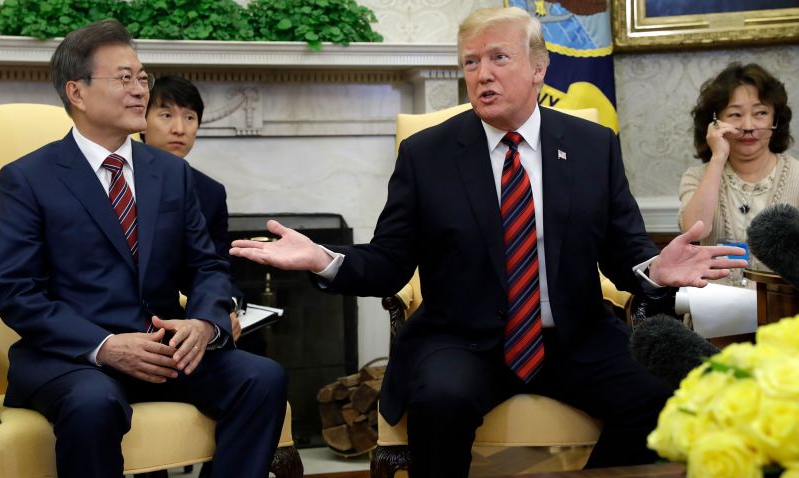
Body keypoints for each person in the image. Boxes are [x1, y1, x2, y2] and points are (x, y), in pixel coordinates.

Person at [230, 7, 745, 477]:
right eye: (471, 62)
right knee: (439, 400)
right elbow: (389, 262)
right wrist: (324, 258)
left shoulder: (592, 146)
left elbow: (623, 252)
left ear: (539, 67)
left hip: (575, 336)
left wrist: (655, 270)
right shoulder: (427, 155)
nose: (483, 73)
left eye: (499, 57)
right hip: (462, 339)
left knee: (665, 396)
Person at [0, 19, 285, 478]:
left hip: (164, 350)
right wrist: (103, 345)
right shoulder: (28, 178)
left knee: (262, 378)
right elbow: (16, 291)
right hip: (74, 359)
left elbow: (207, 265)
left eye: (142, 77)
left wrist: (205, 322)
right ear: (77, 92)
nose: (140, 90)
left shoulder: (170, 173)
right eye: (123, 78)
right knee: (94, 401)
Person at [142, 74, 244, 343]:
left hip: (190, 319)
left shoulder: (211, 192)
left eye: (189, 117)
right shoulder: (118, 177)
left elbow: (217, 264)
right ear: (141, 120)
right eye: (166, 115)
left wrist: (225, 308)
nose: (180, 129)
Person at [679, 62, 797, 289]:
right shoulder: (696, 177)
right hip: (711, 314)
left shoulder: (797, 176)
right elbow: (696, 229)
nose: (749, 126)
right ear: (715, 122)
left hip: (782, 315)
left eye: (761, 113)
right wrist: (718, 157)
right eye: (735, 114)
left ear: (775, 119)